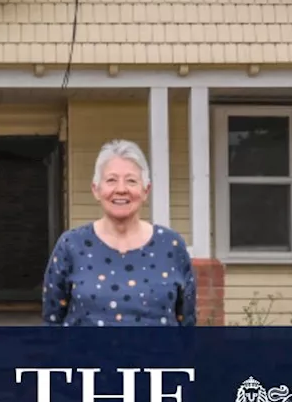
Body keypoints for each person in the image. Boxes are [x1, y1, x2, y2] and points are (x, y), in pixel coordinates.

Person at [41, 138, 197, 328]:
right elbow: (52, 323)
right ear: (96, 190)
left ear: (145, 190)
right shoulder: (71, 246)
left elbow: (187, 322)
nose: (121, 189)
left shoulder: (171, 246)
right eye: (111, 180)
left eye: (131, 181)